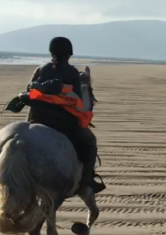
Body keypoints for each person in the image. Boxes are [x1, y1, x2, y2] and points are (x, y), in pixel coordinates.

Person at [22, 37, 105, 194]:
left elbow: (29, 91)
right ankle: (87, 180)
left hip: (37, 118)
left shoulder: (41, 69)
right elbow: (78, 101)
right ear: (69, 54)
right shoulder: (72, 72)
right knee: (90, 141)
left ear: (51, 52)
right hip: (63, 124)